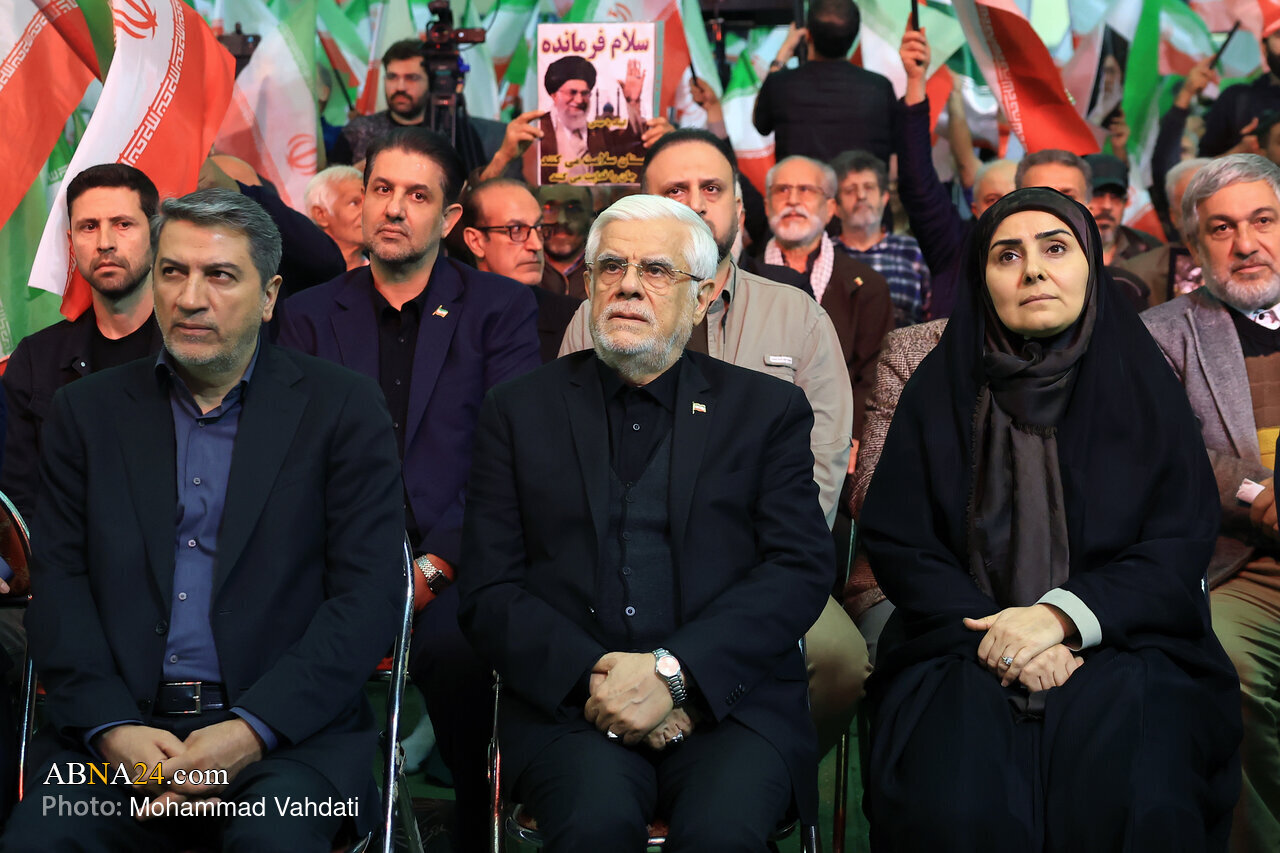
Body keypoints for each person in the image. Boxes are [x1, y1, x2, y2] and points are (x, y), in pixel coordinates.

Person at [0, 188, 405, 851]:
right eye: (172, 272)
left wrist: (250, 731)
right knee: (42, 839)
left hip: (286, 743)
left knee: (272, 842)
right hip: (118, 742)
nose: (190, 298)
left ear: (269, 296)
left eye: (219, 275)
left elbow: (367, 600)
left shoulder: (341, 410)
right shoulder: (86, 413)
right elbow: (61, 590)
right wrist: (113, 731)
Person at [858, 187, 1241, 851]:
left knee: (1135, 791)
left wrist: (1060, 618)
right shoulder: (939, 388)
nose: (1033, 270)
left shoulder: (1142, 382)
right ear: (981, 280)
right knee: (954, 803)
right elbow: (902, 542)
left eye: (1055, 249)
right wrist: (1005, 636)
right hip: (961, 641)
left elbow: (1177, 541)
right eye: (1007, 255)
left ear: (1091, 265)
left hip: (1127, 641)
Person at [460, 194, 832, 851]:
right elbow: (489, 589)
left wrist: (672, 677)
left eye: (656, 270)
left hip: (730, 704)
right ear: (588, 285)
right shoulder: (516, 411)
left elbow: (797, 570)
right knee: (594, 826)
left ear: (704, 296)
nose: (628, 285)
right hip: (572, 706)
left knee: (722, 835)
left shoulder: (766, 411)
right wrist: (604, 681)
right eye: (611, 267)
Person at [559, 129, 869, 753]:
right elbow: (569, 461)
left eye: (712, 188)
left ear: (739, 208)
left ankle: (769, 772)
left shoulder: (798, 317)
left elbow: (822, 469)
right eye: (675, 190)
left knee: (840, 659)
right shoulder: (596, 318)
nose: (696, 203)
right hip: (620, 567)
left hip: (761, 569)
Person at [276, 127, 540, 853]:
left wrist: (434, 568)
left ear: (450, 219)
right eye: (381, 190)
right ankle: (331, 817)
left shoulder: (499, 310)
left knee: (460, 650)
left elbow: (505, 459)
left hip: (458, 559)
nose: (393, 208)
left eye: (417, 195)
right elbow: (292, 457)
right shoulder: (307, 314)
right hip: (335, 557)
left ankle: (471, 817)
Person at [1141, 153, 1280, 853]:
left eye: (1263, 221)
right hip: (1239, 566)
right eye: (1222, 228)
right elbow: (1175, 452)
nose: (1245, 243)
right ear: (1194, 246)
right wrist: (1263, 496)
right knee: (1227, 669)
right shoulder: (1163, 333)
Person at [2, 164, 163, 523]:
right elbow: (17, 501)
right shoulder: (36, 359)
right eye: (88, 227)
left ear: (155, 235)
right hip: (63, 553)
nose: (105, 242)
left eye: (123, 224)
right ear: (71, 241)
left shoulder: (194, 350)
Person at [761, 154, 893, 440]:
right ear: (767, 204)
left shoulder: (868, 286)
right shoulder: (739, 275)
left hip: (839, 438)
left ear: (830, 208)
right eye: (782, 190)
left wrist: (852, 437)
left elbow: (874, 375)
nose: (792, 200)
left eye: (806, 190)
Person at [894, 24, 1014, 318]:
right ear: (974, 208)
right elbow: (917, 181)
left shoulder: (1048, 259)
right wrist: (916, 82)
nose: (1002, 209)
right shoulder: (955, 247)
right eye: (992, 199)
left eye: (1012, 199)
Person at [753, 0, 895, 165]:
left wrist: (782, 55)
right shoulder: (879, 88)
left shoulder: (781, 84)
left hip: (802, 181)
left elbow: (761, 124)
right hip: (862, 182)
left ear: (808, 34)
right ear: (856, 34)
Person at [459, 178, 580, 362]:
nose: (536, 245)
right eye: (516, 230)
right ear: (476, 241)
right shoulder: (444, 316)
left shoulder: (573, 318)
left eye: (539, 228)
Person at [331, 40, 486, 172]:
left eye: (412, 78)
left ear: (431, 82)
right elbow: (329, 187)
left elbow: (478, 188)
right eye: (392, 77)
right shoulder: (358, 132)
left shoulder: (453, 130)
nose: (400, 87)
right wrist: (356, 174)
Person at [831, 149, 931, 327]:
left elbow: (933, 315)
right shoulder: (826, 253)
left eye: (869, 187)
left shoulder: (910, 250)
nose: (861, 196)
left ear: (884, 198)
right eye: (850, 190)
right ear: (835, 207)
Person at [537, 55, 646, 185]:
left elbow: (632, 146)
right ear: (554, 95)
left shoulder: (599, 133)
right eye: (572, 92)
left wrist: (632, 101)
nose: (579, 100)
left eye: (584, 93)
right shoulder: (538, 130)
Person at [1116, 157, 1208, 307]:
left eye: (1208, 200)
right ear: (1174, 217)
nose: (1203, 213)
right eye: (1190, 205)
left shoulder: (1248, 259)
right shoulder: (1138, 273)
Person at [1200, 15, 1280, 157]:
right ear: (1263, 47)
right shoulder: (1235, 100)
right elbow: (1202, 166)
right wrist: (1240, 153)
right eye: (1279, 34)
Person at [1083, 153, 1163, 266]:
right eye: (1097, 194)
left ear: (1125, 202)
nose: (1107, 206)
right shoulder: (1061, 247)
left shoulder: (1149, 250)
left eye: (1116, 197)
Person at [304, 165, 367, 270]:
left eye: (367, 201)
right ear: (320, 214)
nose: (367, 210)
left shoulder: (387, 272)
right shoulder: (302, 275)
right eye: (354, 203)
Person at [537, 184, 593, 299]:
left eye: (573, 209)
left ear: (591, 218)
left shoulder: (605, 270)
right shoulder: (521, 269)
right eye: (549, 209)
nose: (561, 220)